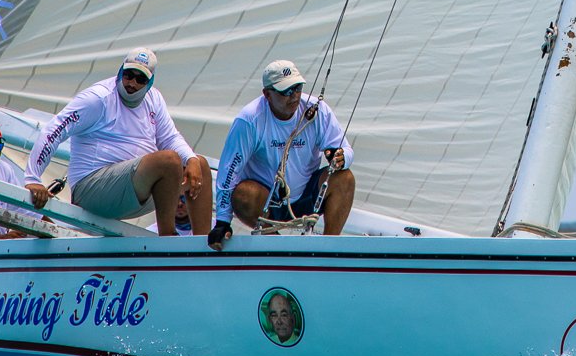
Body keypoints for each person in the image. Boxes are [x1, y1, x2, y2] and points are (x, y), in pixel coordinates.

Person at [23, 47, 212, 236]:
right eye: (128, 75)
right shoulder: (98, 99)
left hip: (136, 193)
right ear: (121, 71)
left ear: (150, 82)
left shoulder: (154, 99)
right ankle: (167, 238)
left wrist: (191, 159)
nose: (132, 83)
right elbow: (54, 130)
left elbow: (170, 137)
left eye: (141, 79)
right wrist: (33, 178)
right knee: (169, 160)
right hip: (93, 192)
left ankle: (205, 249)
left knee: (200, 165)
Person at [208, 60, 354, 251]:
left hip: (306, 197)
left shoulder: (316, 110)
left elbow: (346, 150)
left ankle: (329, 248)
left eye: (297, 88)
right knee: (243, 194)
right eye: (286, 91)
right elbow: (229, 171)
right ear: (267, 94)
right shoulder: (249, 119)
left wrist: (341, 158)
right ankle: (279, 247)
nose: (293, 96)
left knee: (345, 178)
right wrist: (222, 220)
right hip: (267, 202)